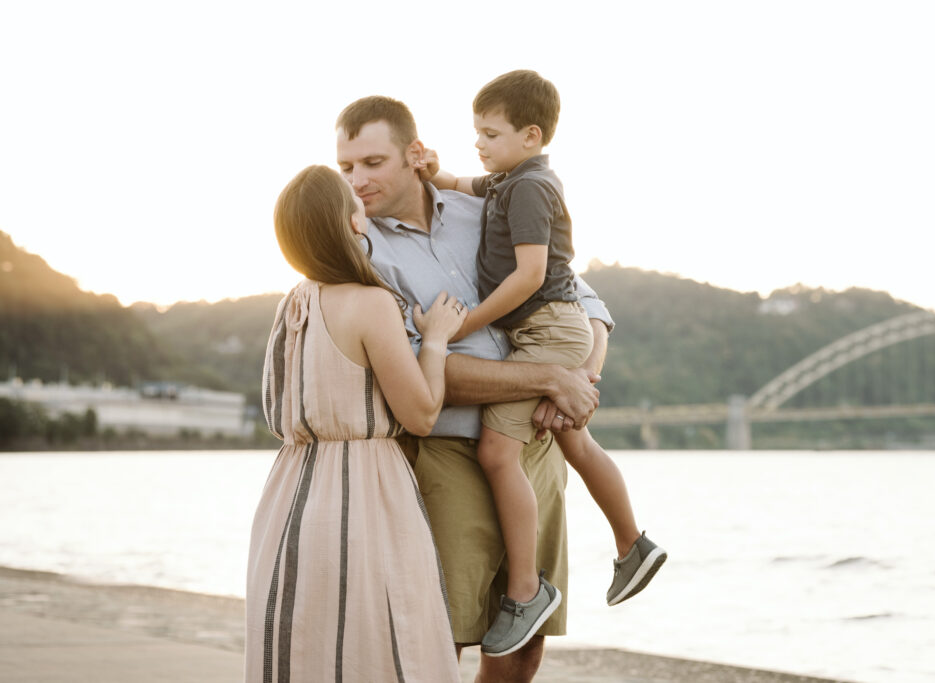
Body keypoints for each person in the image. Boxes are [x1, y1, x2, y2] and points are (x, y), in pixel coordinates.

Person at [335, 95, 607, 682]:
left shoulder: (486, 203)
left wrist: (585, 374)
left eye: (373, 162)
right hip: (452, 454)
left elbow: (578, 295)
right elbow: (416, 372)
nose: (358, 181)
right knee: (439, 637)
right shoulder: (364, 254)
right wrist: (552, 376)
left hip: (537, 448)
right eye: (347, 168)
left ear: (414, 154)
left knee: (523, 643)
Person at [423, 70, 667, 656]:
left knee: (497, 451)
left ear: (530, 135)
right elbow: (471, 183)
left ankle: (526, 591)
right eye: (475, 132)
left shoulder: (531, 188)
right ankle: (632, 543)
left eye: (490, 133)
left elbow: (530, 275)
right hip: (555, 328)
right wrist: (440, 177)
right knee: (573, 440)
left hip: (546, 327)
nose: (478, 144)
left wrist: (466, 323)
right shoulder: (513, 178)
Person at [244, 165, 465, 683]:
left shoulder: (291, 304)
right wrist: (435, 339)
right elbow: (422, 414)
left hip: (288, 499)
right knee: (385, 647)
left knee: (305, 653)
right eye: (357, 205)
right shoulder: (371, 304)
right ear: (351, 223)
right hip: (365, 497)